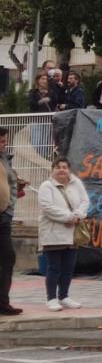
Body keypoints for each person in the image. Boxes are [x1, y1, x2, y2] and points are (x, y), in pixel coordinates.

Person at [37, 158, 89, 311]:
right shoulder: (46, 186)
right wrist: (68, 217)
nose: (61, 170)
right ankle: (51, 299)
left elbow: (85, 201)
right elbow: (47, 207)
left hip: (72, 233)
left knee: (68, 267)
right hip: (53, 233)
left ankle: (64, 296)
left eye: (64, 167)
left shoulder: (76, 183)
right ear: (52, 170)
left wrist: (77, 216)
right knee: (54, 268)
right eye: (58, 167)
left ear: (69, 170)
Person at [0, 128, 19, 316]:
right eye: (0, 141)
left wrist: (9, 208)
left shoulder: (5, 159)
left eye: (5, 141)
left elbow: (11, 184)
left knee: (8, 257)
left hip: (4, 217)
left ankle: (3, 302)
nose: (4, 144)